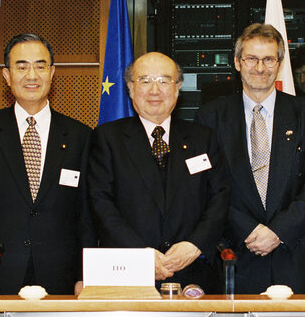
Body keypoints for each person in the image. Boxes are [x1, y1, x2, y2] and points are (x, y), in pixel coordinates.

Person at [196, 24, 305, 294]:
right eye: (251, 59)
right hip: (234, 254)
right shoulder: (210, 117)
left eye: (269, 59)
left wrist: (278, 231)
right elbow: (207, 187)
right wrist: (248, 228)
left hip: (293, 255)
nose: (260, 67)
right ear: (237, 62)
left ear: (279, 64)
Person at [0, 34, 93, 295]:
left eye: (40, 66)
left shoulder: (80, 135)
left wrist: (84, 274)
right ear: (7, 76)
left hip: (62, 274)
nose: (32, 75)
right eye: (21, 67)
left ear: (52, 73)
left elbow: (85, 215)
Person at [88, 52, 229, 293]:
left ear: (177, 88)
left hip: (194, 274)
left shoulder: (202, 138)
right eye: (145, 81)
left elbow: (220, 198)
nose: (155, 90)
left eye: (164, 81)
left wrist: (195, 245)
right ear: (131, 88)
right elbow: (101, 205)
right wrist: (140, 254)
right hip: (128, 274)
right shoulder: (107, 139)